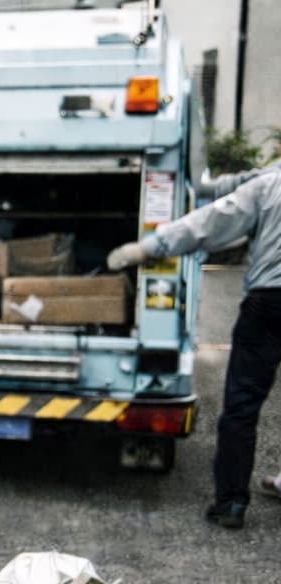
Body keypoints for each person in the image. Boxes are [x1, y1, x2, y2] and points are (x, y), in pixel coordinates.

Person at [108, 163, 281, 529]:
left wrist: (148, 246)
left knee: (242, 406)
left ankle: (231, 503)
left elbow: (211, 222)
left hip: (270, 303)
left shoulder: (270, 185)